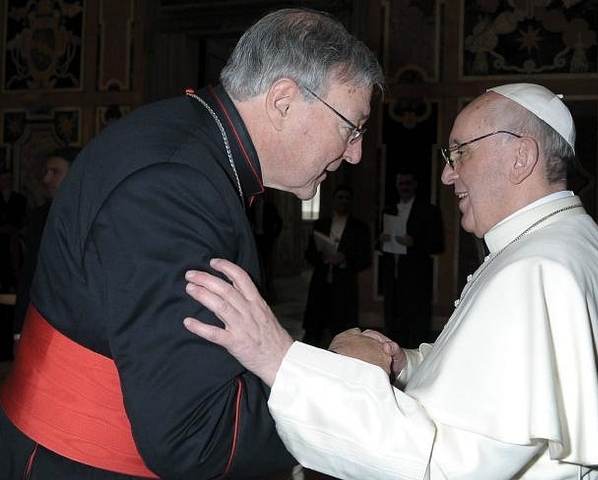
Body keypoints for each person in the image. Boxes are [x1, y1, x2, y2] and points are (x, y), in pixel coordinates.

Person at [182, 83, 598, 479]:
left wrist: (278, 359)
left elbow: (442, 462)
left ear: (521, 156)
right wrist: (404, 363)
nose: (447, 174)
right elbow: (482, 387)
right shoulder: (568, 243)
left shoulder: (535, 270)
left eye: (461, 151)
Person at [0, 8, 384, 480]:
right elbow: (196, 438)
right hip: (82, 462)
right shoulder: (175, 187)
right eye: (353, 126)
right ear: (284, 100)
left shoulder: (188, 134)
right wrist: (334, 382)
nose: (355, 152)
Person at [13, 147, 80, 340]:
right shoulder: (39, 217)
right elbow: (29, 276)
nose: (46, 179)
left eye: (55, 172)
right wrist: (18, 333)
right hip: (44, 324)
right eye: (46, 172)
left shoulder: (96, 215)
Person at [379, 167, 444, 347]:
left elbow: (438, 245)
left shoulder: (429, 211)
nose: (404, 186)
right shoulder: (389, 210)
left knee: (417, 325)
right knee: (393, 324)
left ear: (414, 185)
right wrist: (381, 240)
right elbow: (378, 245)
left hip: (417, 279)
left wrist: (413, 242)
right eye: (401, 183)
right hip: (393, 276)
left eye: (408, 183)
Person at [302, 184, 371, 347]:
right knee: (314, 329)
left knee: (342, 331)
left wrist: (344, 259)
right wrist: (324, 257)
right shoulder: (321, 224)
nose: (343, 201)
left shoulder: (359, 228)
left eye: (347, 198)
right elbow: (309, 254)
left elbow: (365, 259)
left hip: (345, 286)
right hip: (320, 284)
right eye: (340, 198)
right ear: (333, 200)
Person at [248, 194, 283, 302]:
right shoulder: (251, 206)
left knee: (267, 264)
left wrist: (274, 236)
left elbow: (279, 221)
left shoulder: (269, 206)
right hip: (255, 239)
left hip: (267, 239)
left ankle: (269, 292)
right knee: (257, 263)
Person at [0, 169, 26, 293]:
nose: (5, 182)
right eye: (2, 179)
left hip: (13, 240)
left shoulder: (19, 199)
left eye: (8, 179)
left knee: (14, 270)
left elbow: (22, 219)